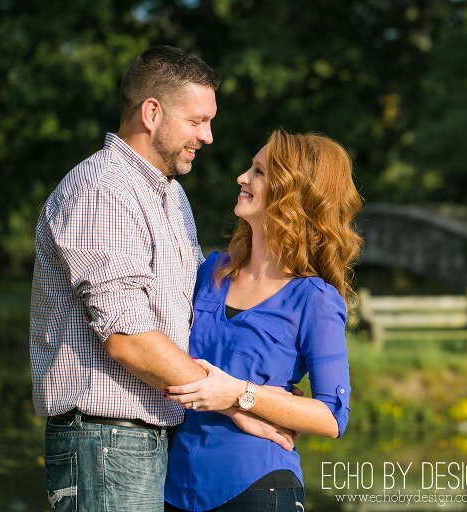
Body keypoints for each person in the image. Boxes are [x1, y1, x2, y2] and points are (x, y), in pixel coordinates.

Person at [30, 46, 293, 512]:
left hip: (146, 439)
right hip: (104, 440)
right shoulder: (102, 190)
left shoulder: (170, 197)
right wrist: (237, 403)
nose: (208, 137)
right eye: (197, 121)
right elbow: (128, 339)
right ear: (152, 113)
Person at [162, 129, 363, 512]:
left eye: (258, 172)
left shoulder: (315, 298)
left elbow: (332, 416)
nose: (242, 177)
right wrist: (240, 402)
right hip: (174, 487)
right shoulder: (210, 272)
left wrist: (241, 394)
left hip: (258, 489)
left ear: (291, 195)